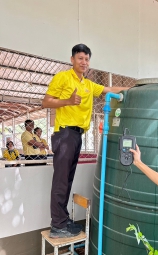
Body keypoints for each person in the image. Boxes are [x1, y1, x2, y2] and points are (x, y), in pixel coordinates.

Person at [42, 43, 130, 238]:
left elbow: (108, 89)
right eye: (80, 58)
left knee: (67, 180)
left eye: (87, 59)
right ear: (72, 59)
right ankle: (57, 225)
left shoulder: (88, 84)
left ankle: (62, 220)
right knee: (61, 181)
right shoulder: (63, 77)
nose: (84, 62)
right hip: (65, 134)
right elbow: (46, 101)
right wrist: (67, 101)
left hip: (76, 135)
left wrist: (134, 88)